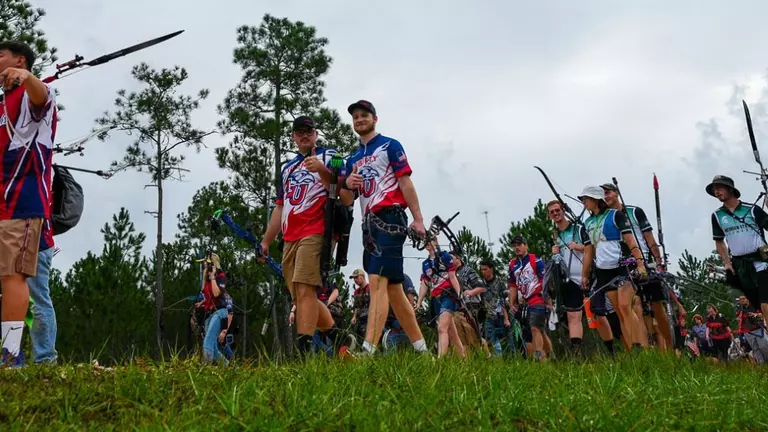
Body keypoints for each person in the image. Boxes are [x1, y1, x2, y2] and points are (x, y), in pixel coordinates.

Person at [339, 100, 428, 355]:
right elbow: (346, 200)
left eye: (364, 115)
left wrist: (418, 218)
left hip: (390, 218)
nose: (359, 119)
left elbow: (405, 181)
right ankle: (423, 351)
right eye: (355, 116)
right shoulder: (352, 158)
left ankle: (368, 350)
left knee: (376, 279)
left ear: (374, 118)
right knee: (394, 289)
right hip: (368, 226)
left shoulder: (390, 145)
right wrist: (347, 184)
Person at [260, 116, 346, 355]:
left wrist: (322, 170)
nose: (304, 136)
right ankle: (337, 338)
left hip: (317, 229)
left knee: (306, 289)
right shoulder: (287, 168)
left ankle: (302, 350)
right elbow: (280, 206)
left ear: (315, 133)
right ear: (293, 137)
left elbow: (342, 188)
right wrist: (266, 241)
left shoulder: (330, 155)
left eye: (308, 131)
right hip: (290, 236)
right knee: (299, 296)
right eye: (299, 132)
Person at [0, 41, 57, 366]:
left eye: (1, 56)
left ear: (19, 60)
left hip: (21, 201)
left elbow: (42, 97)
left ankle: (12, 357)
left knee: (16, 277)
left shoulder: (31, 93)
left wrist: (26, 76)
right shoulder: (3, 99)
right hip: (3, 202)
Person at [601, 183, 685, 352]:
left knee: (657, 307)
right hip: (624, 266)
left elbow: (649, 237)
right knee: (634, 306)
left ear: (616, 193)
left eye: (608, 192)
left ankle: (671, 347)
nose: (606, 197)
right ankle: (642, 350)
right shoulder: (605, 218)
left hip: (645, 262)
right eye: (603, 195)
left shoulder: (634, 211)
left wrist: (658, 261)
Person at [579, 185, 648, 353]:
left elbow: (631, 242)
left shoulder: (616, 215)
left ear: (596, 199)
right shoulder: (587, 223)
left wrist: (640, 265)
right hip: (603, 270)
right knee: (619, 311)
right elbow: (589, 251)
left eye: (586, 199)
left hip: (622, 266)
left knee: (626, 306)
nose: (584, 202)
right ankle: (632, 350)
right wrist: (584, 275)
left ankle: (642, 348)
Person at [708, 175, 768, 322]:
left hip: (761, 262)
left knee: (766, 303)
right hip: (741, 266)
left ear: (730, 189)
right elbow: (719, 241)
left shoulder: (752, 209)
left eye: (720, 187)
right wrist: (727, 263)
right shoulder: (717, 215)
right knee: (759, 306)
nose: (717, 191)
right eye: (714, 189)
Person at [547, 200, 590, 355]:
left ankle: (612, 348)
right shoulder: (554, 234)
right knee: (573, 315)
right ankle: (576, 352)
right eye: (552, 212)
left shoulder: (578, 228)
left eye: (557, 210)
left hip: (586, 277)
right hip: (567, 279)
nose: (555, 214)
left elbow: (593, 248)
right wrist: (554, 253)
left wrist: (578, 247)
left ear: (563, 210)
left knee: (601, 315)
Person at [416, 240, 466, 358]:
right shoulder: (426, 263)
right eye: (426, 241)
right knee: (451, 332)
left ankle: (440, 360)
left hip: (448, 294)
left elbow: (452, 276)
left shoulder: (444, 256)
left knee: (441, 328)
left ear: (436, 241)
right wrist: (419, 301)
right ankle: (463, 360)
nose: (428, 243)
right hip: (435, 298)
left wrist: (459, 295)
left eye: (430, 240)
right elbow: (424, 284)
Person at [507, 235, 553, 362]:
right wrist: (512, 302)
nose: (517, 248)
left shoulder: (536, 261)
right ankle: (550, 356)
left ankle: (539, 358)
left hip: (537, 298)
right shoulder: (512, 265)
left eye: (520, 244)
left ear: (526, 246)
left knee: (535, 328)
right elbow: (512, 285)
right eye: (515, 245)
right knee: (540, 331)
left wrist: (548, 302)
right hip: (524, 302)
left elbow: (545, 282)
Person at [195, 253, 232, 365]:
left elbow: (216, 294)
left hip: (219, 312)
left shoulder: (221, 277)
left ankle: (206, 370)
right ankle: (227, 366)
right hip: (209, 313)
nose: (205, 267)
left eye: (207, 264)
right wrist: (202, 303)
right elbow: (205, 293)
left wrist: (213, 278)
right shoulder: (208, 278)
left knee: (207, 342)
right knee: (214, 348)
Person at [451, 251, 486, 352]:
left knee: (474, 336)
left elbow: (481, 287)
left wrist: (469, 292)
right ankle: (467, 363)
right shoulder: (450, 273)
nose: (450, 260)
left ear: (459, 258)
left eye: (452, 258)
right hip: (457, 309)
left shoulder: (468, 271)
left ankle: (485, 358)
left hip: (471, 307)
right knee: (462, 339)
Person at [479, 260, 514, 356]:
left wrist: (506, 319)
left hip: (501, 315)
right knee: (491, 341)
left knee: (509, 341)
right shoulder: (480, 284)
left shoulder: (499, 283)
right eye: (482, 270)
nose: (483, 272)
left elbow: (503, 300)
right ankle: (496, 360)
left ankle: (513, 360)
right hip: (488, 317)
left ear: (491, 269)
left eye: (485, 269)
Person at [382, 274, 418, 354]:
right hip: (386, 321)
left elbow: (410, 298)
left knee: (394, 347)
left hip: (399, 319)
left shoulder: (403, 278)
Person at [736, 295, 768, 363]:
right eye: (740, 299)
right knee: (755, 349)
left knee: (764, 346)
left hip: (758, 329)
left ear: (747, 299)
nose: (742, 300)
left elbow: (763, 314)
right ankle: (761, 364)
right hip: (747, 332)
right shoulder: (740, 310)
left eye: (743, 298)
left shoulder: (755, 306)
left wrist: (754, 314)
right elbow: (740, 320)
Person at [350, 269, 370, 341]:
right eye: (354, 278)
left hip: (369, 318)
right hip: (359, 319)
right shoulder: (356, 292)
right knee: (358, 336)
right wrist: (354, 317)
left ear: (363, 277)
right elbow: (356, 307)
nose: (355, 280)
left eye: (356, 277)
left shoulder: (370, 288)